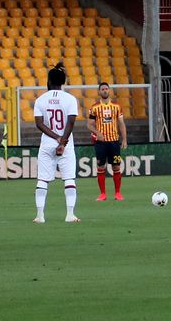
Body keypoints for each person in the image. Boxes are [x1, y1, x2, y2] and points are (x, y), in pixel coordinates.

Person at [32, 62, 79, 223]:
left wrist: (55, 138)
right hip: (66, 142)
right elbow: (71, 122)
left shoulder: (40, 100)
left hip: (47, 142)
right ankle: (70, 214)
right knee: (69, 179)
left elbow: (39, 124)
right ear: (63, 81)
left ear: (49, 81)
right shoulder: (70, 99)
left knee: (42, 180)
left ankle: (40, 215)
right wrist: (63, 141)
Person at [88, 82, 127, 202]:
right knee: (101, 167)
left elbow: (121, 124)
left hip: (114, 142)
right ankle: (103, 194)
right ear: (99, 92)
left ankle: (118, 193)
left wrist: (124, 139)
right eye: (102, 89)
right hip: (101, 143)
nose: (104, 91)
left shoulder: (116, 106)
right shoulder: (94, 107)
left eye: (106, 89)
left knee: (116, 166)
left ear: (109, 91)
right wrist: (97, 133)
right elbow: (89, 125)